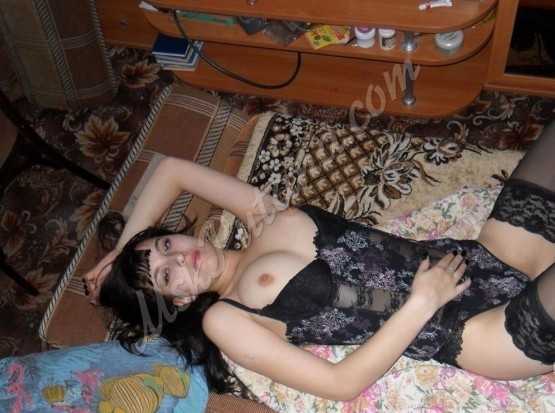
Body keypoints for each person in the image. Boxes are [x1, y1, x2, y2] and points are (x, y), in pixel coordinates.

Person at [85, 122, 555, 401]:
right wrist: (421, 302)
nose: (181, 256)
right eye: (168, 275)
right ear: (180, 299)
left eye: (167, 245)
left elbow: (171, 169)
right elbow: (339, 383)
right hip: (479, 333)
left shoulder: (261, 216)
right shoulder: (226, 317)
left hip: (491, 253)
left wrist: (118, 255)